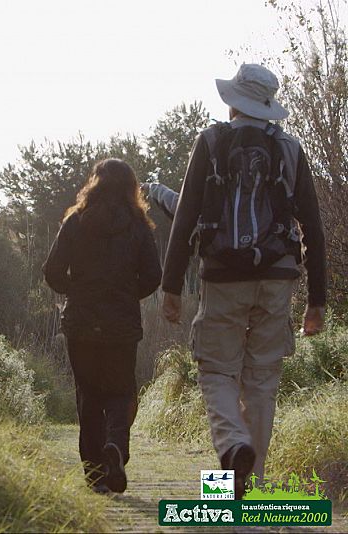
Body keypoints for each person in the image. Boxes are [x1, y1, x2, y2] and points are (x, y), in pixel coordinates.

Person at [161, 64, 327, 498]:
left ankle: (233, 449)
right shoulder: (289, 148)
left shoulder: (211, 141)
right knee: (262, 381)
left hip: (222, 276)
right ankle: (247, 492)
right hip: (277, 278)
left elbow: (186, 216)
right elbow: (311, 223)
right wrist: (317, 299)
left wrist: (171, 286)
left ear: (234, 102)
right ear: (268, 107)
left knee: (217, 370)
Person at [43, 158, 162, 494]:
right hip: (121, 323)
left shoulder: (75, 222)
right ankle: (116, 449)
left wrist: (76, 291)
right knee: (121, 391)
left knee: (89, 395)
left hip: (81, 323)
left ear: (92, 184)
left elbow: (52, 271)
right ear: (131, 188)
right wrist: (126, 295)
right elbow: (154, 276)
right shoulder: (139, 226)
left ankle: (95, 477)